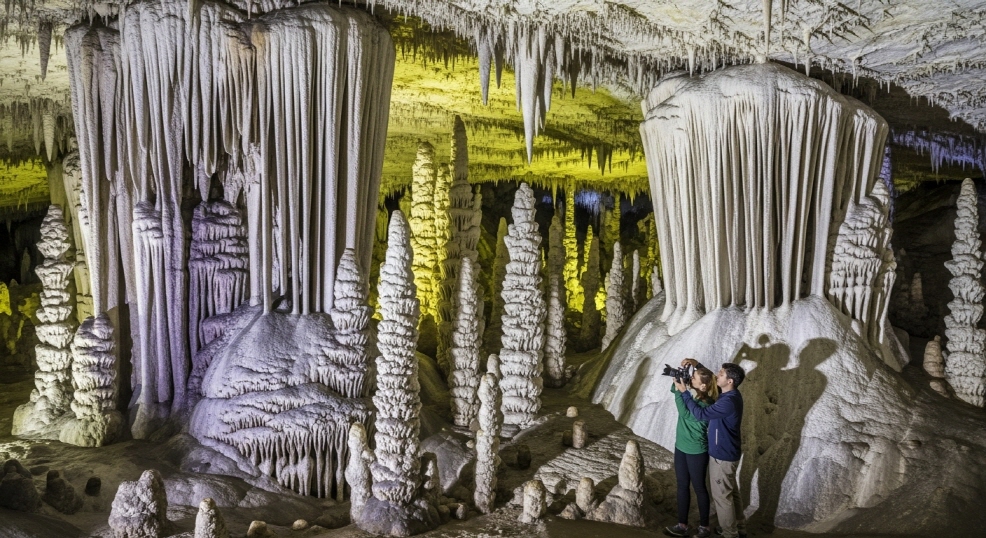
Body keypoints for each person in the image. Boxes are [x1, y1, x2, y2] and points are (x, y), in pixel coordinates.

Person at [674, 359, 746, 538]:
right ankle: (739, 527)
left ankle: (730, 534)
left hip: (722, 455)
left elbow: (700, 414)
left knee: (722, 498)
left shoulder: (728, 402)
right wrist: (696, 364)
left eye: (721, 374)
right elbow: (710, 378)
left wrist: (684, 393)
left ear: (729, 381)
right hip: (727, 452)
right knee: (732, 493)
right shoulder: (730, 394)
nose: (716, 375)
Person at [664, 365, 719, 538]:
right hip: (681, 446)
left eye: (694, 377)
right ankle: (682, 524)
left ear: (703, 386)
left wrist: (683, 392)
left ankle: (704, 527)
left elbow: (686, 414)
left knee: (699, 488)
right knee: (682, 485)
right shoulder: (692, 396)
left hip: (696, 450)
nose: (691, 379)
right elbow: (676, 393)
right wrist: (677, 382)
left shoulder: (707, 403)